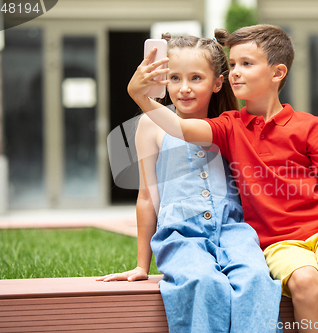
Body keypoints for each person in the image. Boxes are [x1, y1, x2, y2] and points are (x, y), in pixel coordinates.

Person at [128, 24, 318, 333]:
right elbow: (178, 135)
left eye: (245, 64)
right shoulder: (229, 127)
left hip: (306, 231)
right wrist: (141, 96)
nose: (236, 71)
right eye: (233, 64)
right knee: (286, 281)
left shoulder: (300, 125)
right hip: (263, 240)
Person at [98, 30, 282, 333]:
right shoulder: (150, 124)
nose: (184, 88)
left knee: (256, 280)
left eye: (196, 78)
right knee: (202, 281)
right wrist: (142, 266)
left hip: (233, 231)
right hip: (181, 235)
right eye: (174, 78)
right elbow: (147, 196)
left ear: (217, 82)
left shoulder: (230, 123)